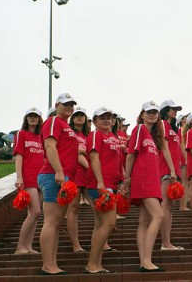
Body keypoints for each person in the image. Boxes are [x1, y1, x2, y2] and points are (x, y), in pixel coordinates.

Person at [37, 93, 78, 275]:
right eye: (65, 104)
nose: (69, 107)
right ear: (56, 105)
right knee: (52, 221)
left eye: (71, 104)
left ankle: (52, 263)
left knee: (57, 223)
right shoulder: (54, 121)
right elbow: (50, 146)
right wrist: (59, 171)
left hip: (61, 176)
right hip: (53, 175)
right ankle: (47, 264)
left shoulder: (65, 125)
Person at [124, 101, 164, 272]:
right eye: (148, 112)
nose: (152, 115)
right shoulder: (139, 129)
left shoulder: (152, 136)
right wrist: (127, 179)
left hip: (152, 180)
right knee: (159, 216)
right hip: (143, 180)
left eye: (155, 112)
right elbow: (130, 155)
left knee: (145, 221)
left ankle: (144, 261)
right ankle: (147, 260)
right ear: (142, 114)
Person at [85, 107, 121, 274]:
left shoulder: (113, 136)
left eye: (109, 117)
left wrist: (121, 181)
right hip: (99, 185)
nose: (107, 120)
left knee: (100, 224)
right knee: (109, 223)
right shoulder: (95, 135)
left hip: (110, 184)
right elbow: (93, 157)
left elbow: (116, 161)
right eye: (102, 118)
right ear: (94, 121)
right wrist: (100, 182)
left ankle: (96, 264)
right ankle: (92, 264)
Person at [13, 107, 44, 255]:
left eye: (35, 116)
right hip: (28, 178)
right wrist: (19, 176)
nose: (33, 119)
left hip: (41, 178)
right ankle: (20, 246)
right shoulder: (21, 134)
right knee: (36, 211)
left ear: (39, 119)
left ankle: (29, 246)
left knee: (34, 214)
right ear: (26, 119)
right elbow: (19, 156)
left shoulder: (41, 137)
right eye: (30, 116)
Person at [66, 106, 91, 253]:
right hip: (74, 174)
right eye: (77, 116)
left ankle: (103, 242)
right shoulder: (69, 133)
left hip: (88, 175)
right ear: (72, 118)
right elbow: (71, 152)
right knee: (73, 208)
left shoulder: (89, 135)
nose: (80, 118)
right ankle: (75, 244)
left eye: (82, 115)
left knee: (99, 207)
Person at [158, 100, 182, 250]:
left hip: (173, 168)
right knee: (166, 205)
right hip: (166, 168)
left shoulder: (172, 127)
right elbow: (164, 147)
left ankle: (167, 242)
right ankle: (165, 243)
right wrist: (172, 169)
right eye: (173, 109)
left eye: (176, 109)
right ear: (166, 110)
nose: (175, 111)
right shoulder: (162, 124)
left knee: (170, 206)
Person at [177, 113, 190, 211]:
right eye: (185, 118)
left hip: (186, 158)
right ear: (181, 120)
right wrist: (185, 158)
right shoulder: (181, 130)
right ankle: (182, 205)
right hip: (184, 159)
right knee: (184, 182)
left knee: (187, 182)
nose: (187, 119)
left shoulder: (186, 131)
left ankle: (185, 203)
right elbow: (181, 145)